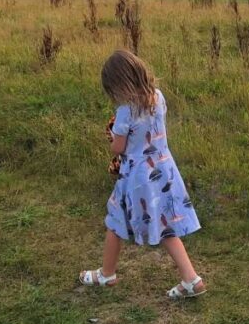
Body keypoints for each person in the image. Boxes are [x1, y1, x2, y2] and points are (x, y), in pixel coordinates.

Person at [78, 50, 205, 299]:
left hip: (137, 177)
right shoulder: (158, 97)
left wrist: (113, 134)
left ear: (118, 85)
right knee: (166, 224)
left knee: (116, 218)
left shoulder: (126, 111)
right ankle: (191, 278)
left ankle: (107, 274)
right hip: (163, 169)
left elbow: (118, 148)